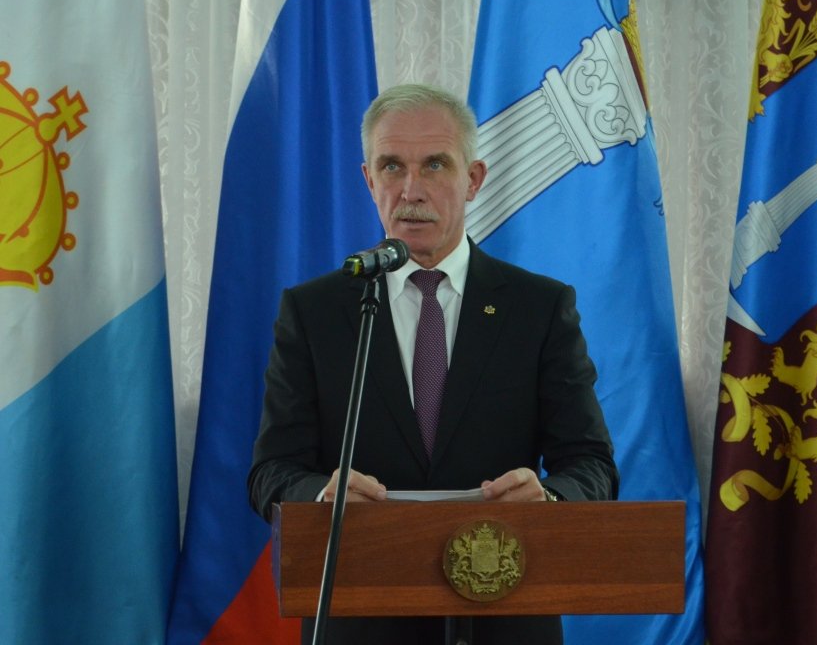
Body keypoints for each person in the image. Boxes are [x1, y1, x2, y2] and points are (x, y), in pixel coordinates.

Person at [248, 83, 618, 645]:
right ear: (368, 179)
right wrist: (323, 495)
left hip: (504, 613)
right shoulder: (315, 311)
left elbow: (591, 464)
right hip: (360, 616)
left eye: (436, 165)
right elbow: (271, 472)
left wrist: (549, 499)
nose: (411, 190)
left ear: (474, 179)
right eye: (391, 166)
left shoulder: (538, 307)